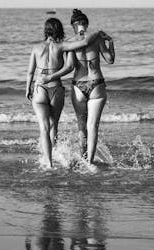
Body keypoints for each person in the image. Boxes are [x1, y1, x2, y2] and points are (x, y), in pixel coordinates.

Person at [25, 17, 102, 168]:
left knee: (43, 127)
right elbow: (83, 45)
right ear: (59, 30)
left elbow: (30, 72)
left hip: (39, 88)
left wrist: (27, 88)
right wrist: (98, 33)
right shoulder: (62, 46)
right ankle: (55, 156)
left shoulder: (36, 48)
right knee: (54, 126)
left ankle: (48, 163)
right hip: (56, 89)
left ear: (45, 30)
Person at [48, 9, 115, 165]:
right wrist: (110, 42)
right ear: (86, 24)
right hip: (97, 83)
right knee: (93, 127)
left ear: (73, 26)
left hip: (78, 85)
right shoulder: (97, 39)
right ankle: (89, 163)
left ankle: (82, 157)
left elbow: (70, 67)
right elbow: (110, 60)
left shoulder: (71, 42)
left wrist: (51, 76)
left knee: (81, 126)